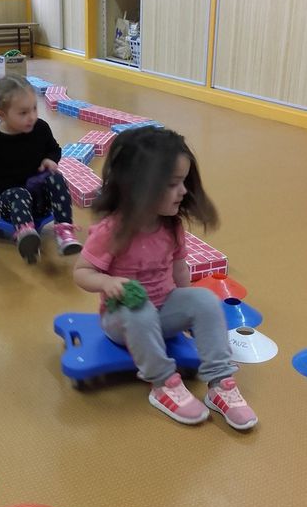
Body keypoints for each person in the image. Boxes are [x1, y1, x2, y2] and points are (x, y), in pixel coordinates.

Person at [73, 126, 258, 431]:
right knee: (140, 310)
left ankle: (220, 383)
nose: (183, 191)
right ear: (138, 187)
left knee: (204, 299)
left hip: (163, 310)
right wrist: (107, 284)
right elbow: (81, 272)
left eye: (184, 182)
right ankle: (163, 384)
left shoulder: (170, 226)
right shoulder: (112, 231)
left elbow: (179, 270)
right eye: (173, 184)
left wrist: (190, 312)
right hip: (122, 318)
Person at [0, 75, 82, 263]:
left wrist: (51, 160)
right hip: (10, 201)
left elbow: (54, 149)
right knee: (18, 193)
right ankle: (26, 235)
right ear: (1, 114)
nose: (32, 116)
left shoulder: (40, 127)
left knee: (57, 178)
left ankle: (65, 231)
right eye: (23, 113)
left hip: (40, 198)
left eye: (34, 108)